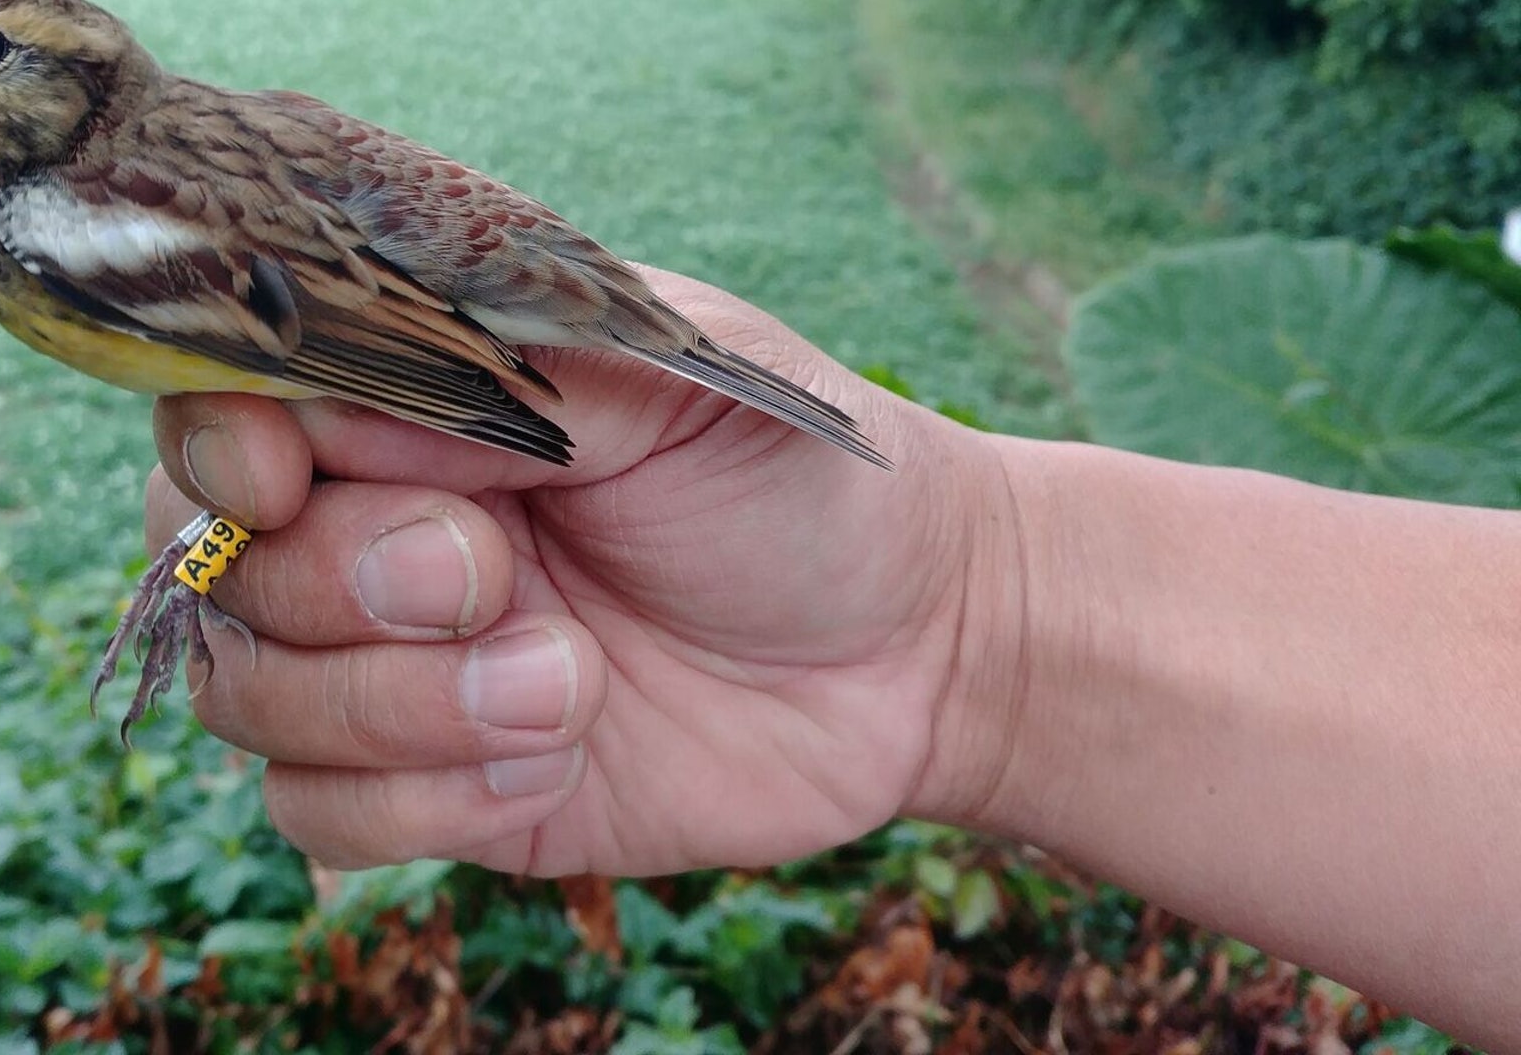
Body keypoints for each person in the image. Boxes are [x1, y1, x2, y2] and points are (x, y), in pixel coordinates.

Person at [143, 267, 1521, 1050]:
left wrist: (973, 621)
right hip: (375, 378)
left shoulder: (72, 223)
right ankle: (206, 551)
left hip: (383, 362)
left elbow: (341, 369)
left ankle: (206, 550)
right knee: (265, 474)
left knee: (273, 467)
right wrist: (967, 612)